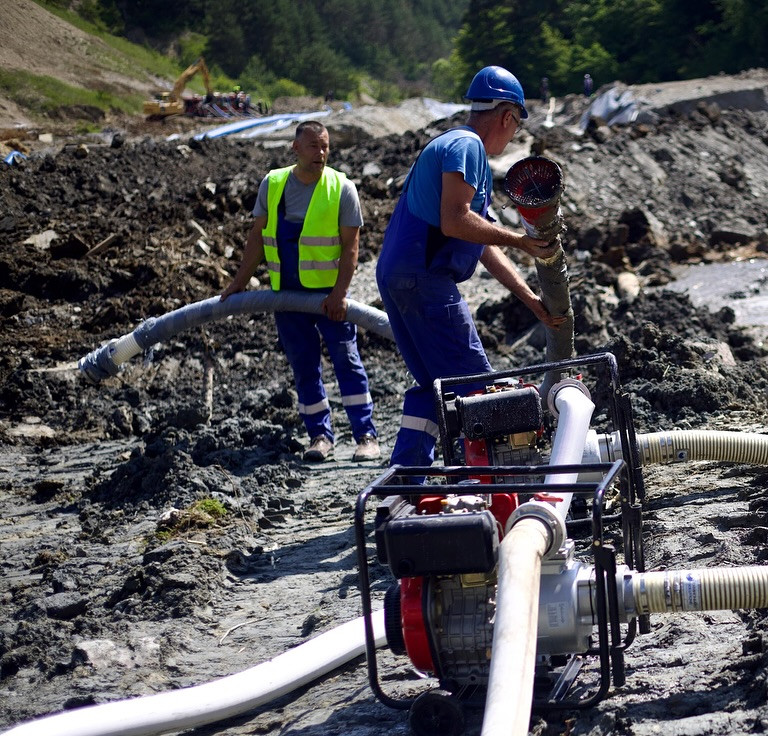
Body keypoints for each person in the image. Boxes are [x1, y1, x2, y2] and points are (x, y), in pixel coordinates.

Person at [375, 65, 563, 472]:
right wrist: (521, 240)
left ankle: (405, 480)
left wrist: (530, 298)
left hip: (399, 276)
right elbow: (455, 222)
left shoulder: (458, 150)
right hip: (424, 279)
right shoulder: (466, 146)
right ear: (506, 115)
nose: (513, 134)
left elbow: (480, 240)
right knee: (478, 386)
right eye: (515, 125)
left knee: (434, 388)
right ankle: (494, 482)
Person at [221, 120, 381, 463]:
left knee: (346, 362)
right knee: (304, 366)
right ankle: (320, 436)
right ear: (295, 148)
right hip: (288, 296)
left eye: (325, 147)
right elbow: (257, 240)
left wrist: (340, 294)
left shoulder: (342, 188)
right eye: (313, 146)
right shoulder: (274, 184)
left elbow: (351, 248)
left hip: (329, 298)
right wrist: (239, 282)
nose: (320, 153)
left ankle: (365, 435)